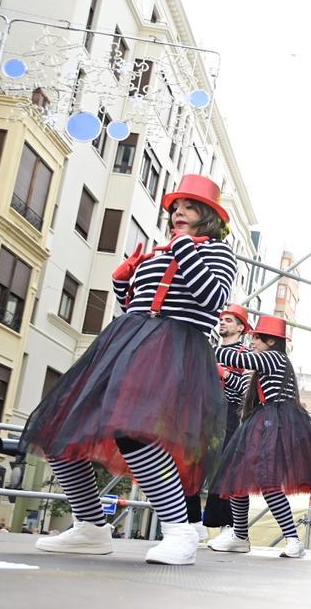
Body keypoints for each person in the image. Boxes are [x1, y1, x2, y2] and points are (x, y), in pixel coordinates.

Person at [20, 174, 235, 565]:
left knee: (134, 433)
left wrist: (183, 249)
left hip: (172, 351)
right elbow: (139, 306)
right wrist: (123, 283)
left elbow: (212, 300)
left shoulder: (216, 253)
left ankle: (179, 530)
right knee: (58, 429)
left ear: (207, 216)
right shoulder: (159, 251)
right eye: (174, 209)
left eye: (188, 208)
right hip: (126, 344)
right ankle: (90, 526)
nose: (178, 214)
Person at [207, 315, 311, 558]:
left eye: (257, 337)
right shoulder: (272, 360)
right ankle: (241, 536)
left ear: (271, 341)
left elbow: (234, 357)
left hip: (270, 425)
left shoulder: (272, 358)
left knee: (268, 484)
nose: (252, 340)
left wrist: (204, 346)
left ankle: (292, 541)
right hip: (265, 423)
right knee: (237, 480)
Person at [198, 304, 252, 534]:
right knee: (195, 466)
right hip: (205, 411)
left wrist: (224, 373)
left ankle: (227, 525)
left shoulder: (248, 356)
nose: (222, 322)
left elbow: (246, 390)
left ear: (241, 328)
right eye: (222, 319)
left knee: (224, 468)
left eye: (229, 320)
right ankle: (192, 521)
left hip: (230, 413)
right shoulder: (209, 350)